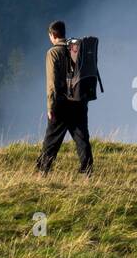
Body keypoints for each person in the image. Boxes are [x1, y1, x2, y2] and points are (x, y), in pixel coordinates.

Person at [35, 20, 93, 176]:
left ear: (53, 35)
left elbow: (52, 83)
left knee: (52, 139)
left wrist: (50, 107)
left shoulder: (53, 53)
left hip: (61, 103)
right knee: (81, 138)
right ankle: (87, 171)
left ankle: (43, 170)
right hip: (79, 101)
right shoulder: (75, 50)